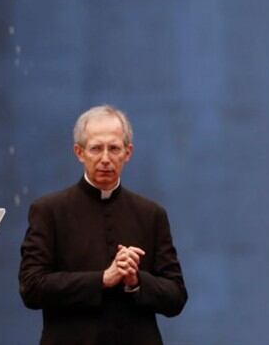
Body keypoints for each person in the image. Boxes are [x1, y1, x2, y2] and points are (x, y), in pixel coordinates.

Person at [19, 105, 187, 345]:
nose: (105, 159)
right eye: (96, 148)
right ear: (79, 152)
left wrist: (135, 280)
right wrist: (102, 279)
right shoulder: (49, 211)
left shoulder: (151, 214)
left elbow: (176, 297)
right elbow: (31, 288)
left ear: (128, 153)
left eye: (114, 148)